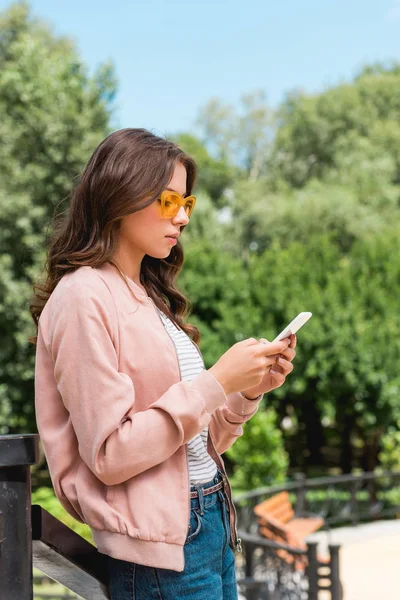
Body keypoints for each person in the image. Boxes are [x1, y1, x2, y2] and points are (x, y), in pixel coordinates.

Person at [31, 128, 297, 599]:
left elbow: (188, 441)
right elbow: (111, 454)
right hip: (158, 552)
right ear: (120, 194)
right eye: (169, 201)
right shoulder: (83, 295)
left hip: (209, 521)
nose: (182, 218)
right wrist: (215, 382)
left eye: (186, 204)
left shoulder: (150, 299)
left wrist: (246, 389)